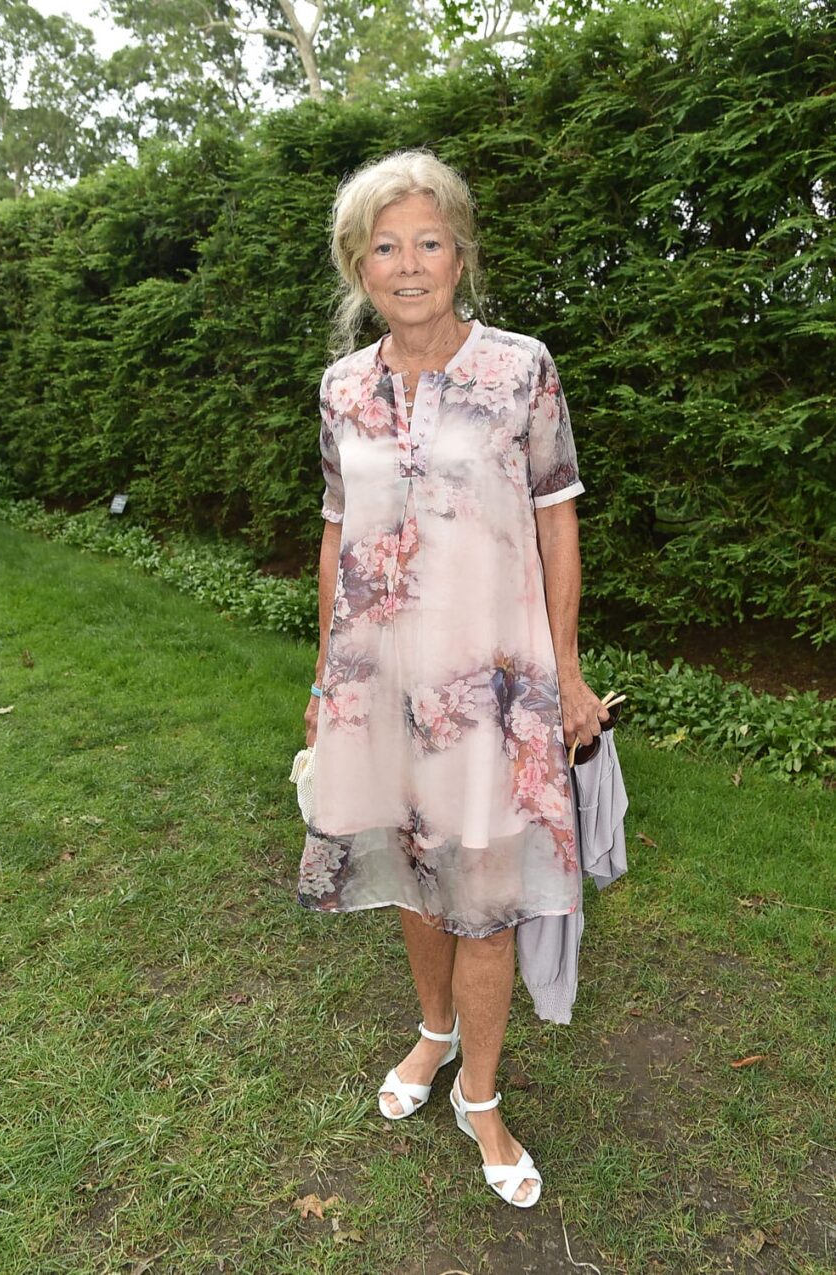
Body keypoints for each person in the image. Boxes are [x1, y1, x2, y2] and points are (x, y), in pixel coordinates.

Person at [298, 148, 611, 1208]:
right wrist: (322, 678)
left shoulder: (521, 367)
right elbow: (337, 534)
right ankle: (430, 1037)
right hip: (381, 685)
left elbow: (556, 519)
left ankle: (480, 1095)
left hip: (495, 690)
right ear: (359, 267)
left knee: (485, 896)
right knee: (411, 874)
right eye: (385, 246)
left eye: (429, 241)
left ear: (462, 253)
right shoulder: (342, 388)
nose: (410, 262)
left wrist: (566, 674)